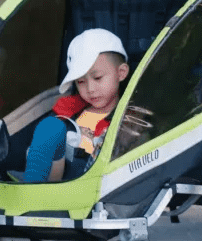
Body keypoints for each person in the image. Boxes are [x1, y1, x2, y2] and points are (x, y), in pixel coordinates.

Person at [17, 29, 130, 183]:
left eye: (97, 78)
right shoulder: (70, 107)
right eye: (81, 81)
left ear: (121, 73)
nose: (90, 89)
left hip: (98, 185)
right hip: (58, 181)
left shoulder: (130, 117)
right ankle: (31, 192)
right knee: (50, 126)